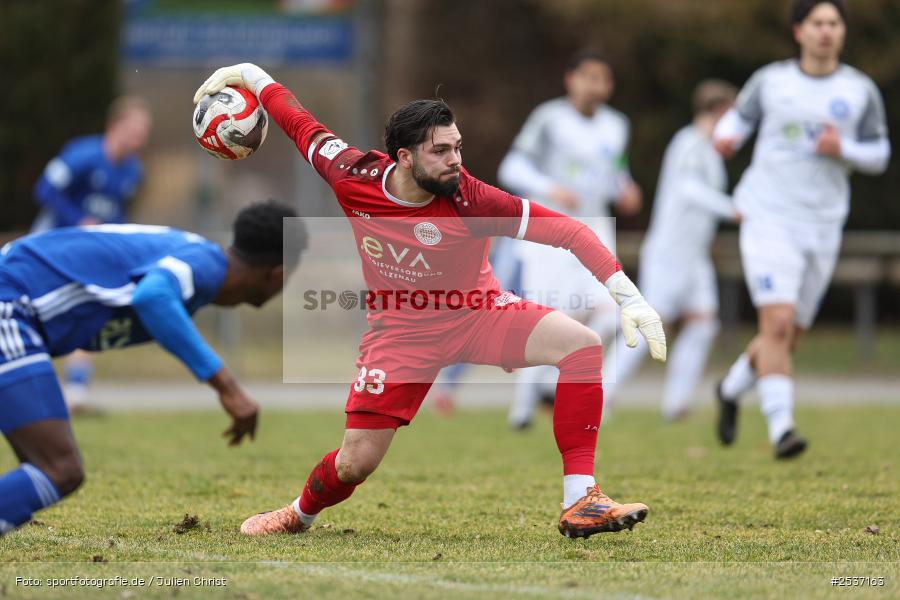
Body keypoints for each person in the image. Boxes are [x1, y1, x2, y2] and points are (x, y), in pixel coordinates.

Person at [193, 63, 666, 539]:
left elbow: (570, 231)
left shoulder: (472, 200)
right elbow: (298, 122)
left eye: (457, 147)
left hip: (478, 314)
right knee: (355, 463)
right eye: (440, 151)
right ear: (404, 157)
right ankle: (299, 514)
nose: (455, 160)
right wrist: (251, 74)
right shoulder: (351, 174)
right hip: (401, 335)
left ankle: (581, 499)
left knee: (581, 345)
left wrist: (630, 298)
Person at [0, 201, 304, 536]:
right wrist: (227, 387)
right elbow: (153, 297)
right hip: (10, 303)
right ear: (277, 273)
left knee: (41, 464)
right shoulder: (205, 266)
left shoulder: (195, 256)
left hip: (14, 297)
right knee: (58, 469)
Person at [713, 0, 890, 458]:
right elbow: (740, 118)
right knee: (776, 323)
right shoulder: (771, 81)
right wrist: (726, 136)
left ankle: (731, 388)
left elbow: (880, 153)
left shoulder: (859, 90)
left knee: (788, 334)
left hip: (824, 223)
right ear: (799, 31)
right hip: (769, 215)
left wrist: (843, 148)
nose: (826, 31)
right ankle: (782, 429)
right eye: (817, 23)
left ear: (842, 32)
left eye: (834, 23)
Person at [496, 49, 643, 429]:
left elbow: (615, 173)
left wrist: (626, 189)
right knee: (547, 319)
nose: (596, 86)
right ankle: (523, 409)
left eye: (603, 79)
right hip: (550, 234)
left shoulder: (617, 125)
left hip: (595, 231)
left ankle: (559, 389)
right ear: (570, 79)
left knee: (614, 313)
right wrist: (550, 188)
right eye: (588, 77)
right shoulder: (550, 119)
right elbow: (511, 167)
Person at [603, 80, 740, 421]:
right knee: (650, 323)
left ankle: (676, 403)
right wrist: (731, 208)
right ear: (719, 112)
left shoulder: (710, 151)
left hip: (695, 255)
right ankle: (601, 394)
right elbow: (689, 189)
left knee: (703, 323)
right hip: (670, 252)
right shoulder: (689, 143)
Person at [31, 97, 153, 413]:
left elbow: (116, 214)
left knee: (90, 313)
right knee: (33, 318)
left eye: (143, 132)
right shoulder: (81, 154)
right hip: (50, 248)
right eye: (134, 130)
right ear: (115, 125)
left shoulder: (133, 171)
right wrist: (77, 220)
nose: (139, 138)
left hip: (87, 257)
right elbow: (44, 189)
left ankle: (75, 393)